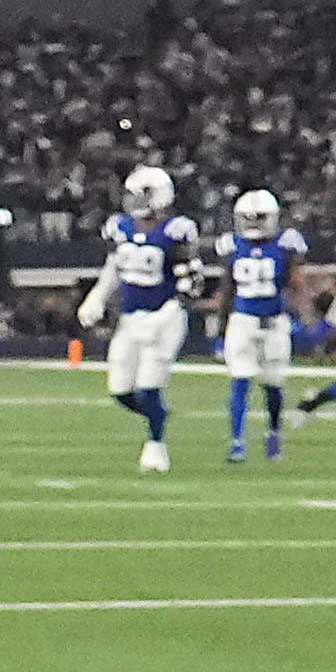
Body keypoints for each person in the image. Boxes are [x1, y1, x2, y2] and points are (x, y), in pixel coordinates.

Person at [83, 163, 197, 471]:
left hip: (164, 316)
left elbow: (191, 279)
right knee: (120, 390)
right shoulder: (120, 226)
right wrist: (96, 299)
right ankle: (159, 414)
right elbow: (113, 269)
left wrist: (178, 301)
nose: (134, 200)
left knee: (148, 386)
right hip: (131, 318)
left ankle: (156, 444)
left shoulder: (176, 230)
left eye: (141, 194)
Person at [217, 188, 300, 458]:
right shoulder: (232, 245)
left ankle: (273, 433)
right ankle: (237, 440)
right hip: (244, 319)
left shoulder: (286, 244)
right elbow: (227, 288)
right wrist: (221, 328)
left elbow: (293, 284)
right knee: (240, 379)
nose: (252, 224)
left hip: (273, 320)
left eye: (258, 218)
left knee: (273, 382)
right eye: (248, 218)